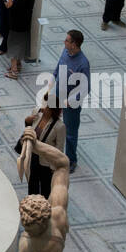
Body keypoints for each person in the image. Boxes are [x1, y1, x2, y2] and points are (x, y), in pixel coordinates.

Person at [47, 29, 89, 172]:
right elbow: (59, 66)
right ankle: (51, 152)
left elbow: (85, 88)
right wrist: (52, 81)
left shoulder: (83, 64)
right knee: (52, 123)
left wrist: (71, 101)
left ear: (74, 44)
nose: (64, 42)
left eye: (67, 40)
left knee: (70, 132)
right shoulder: (65, 52)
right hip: (58, 94)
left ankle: (71, 160)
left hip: (71, 103)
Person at [16, 97, 65, 197]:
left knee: (45, 188)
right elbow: (29, 131)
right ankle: (31, 204)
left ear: (53, 110)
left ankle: (43, 208)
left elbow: (59, 148)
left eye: (47, 107)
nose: (43, 108)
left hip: (46, 162)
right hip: (33, 156)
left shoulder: (59, 126)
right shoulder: (36, 112)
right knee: (32, 183)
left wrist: (54, 167)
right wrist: (27, 122)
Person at [3, 0, 35, 79]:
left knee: (13, 48)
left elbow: (9, 6)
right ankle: (18, 64)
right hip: (25, 26)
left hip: (16, 27)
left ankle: (14, 71)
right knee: (21, 46)